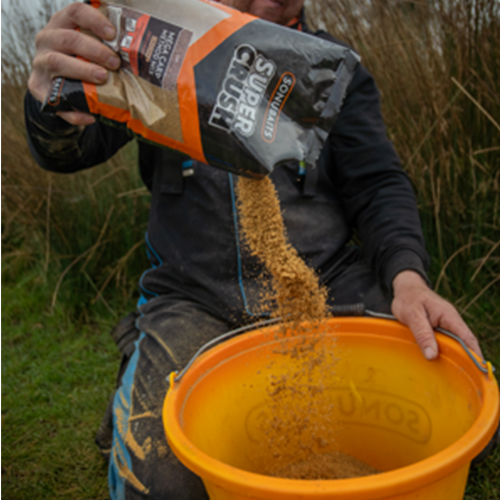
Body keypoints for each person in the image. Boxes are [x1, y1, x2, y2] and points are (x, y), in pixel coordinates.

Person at [25, 0, 484, 498]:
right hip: (194, 296)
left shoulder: (331, 66)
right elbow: (67, 149)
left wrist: (407, 278)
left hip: (322, 282)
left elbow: (377, 183)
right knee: (160, 486)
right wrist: (52, 95)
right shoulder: (163, 42)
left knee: (467, 412)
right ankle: (140, 368)